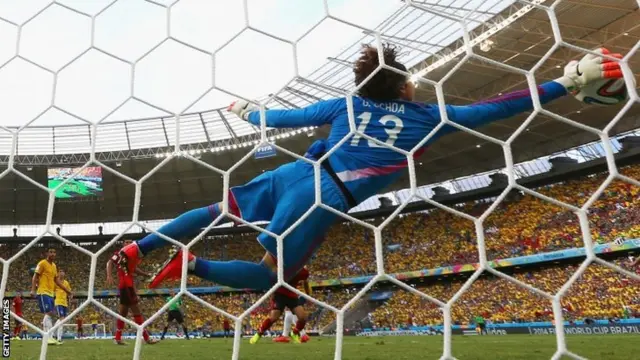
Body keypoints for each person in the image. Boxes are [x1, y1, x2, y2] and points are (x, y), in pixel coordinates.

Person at [114, 45, 623, 293]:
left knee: (213, 209)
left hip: (294, 174)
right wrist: (564, 81)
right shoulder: (428, 118)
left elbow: (277, 118)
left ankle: (141, 247)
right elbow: (499, 108)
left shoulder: (344, 108)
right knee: (274, 280)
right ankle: (195, 266)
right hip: (324, 196)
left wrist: (246, 110)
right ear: (402, 86)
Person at [106, 240, 158, 345]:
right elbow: (110, 262)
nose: (129, 244)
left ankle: (117, 338)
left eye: (130, 242)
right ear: (123, 245)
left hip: (127, 285)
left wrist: (146, 275)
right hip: (126, 285)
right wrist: (109, 275)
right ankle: (147, 338)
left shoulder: (131, 257)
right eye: (126, 242)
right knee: (136, 311)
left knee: (123, 313)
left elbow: (133, 269)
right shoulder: (120, 254)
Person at [251, 266, 311, 344]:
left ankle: (295, 333)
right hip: (279, 294)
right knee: (273, 318)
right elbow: (271, 279)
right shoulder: (281, 267)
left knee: (303, 317)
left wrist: (308, 295)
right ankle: (258, 334)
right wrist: (272, 294)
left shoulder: (302, 271)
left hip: (292, 295)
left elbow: (305, 281)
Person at [31, 248, 72, 345]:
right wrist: (33, 289)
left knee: (51, 313)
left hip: (50, 293)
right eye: (50, 252)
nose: (53, 253)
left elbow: (57, 281)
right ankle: (48, 337)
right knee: (49, 313)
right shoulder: (42, 263)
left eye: (54, 252)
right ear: (46, 253)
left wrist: (68, 291)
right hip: (43, 291)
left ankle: (49, 336)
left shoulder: (54, 266)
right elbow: (35, 276)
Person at [53, 270, 72, 343]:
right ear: (58, 274)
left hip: (65, 303)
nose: (61, 274)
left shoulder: (66, 283)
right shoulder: (56, 282)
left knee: (61, 320)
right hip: (58, 302)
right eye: (60, 273)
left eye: (63, 273)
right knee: (61, 320)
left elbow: (69, 291)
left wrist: (71, 296)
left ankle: (52, 332)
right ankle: (59, 338)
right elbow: (52, 289)